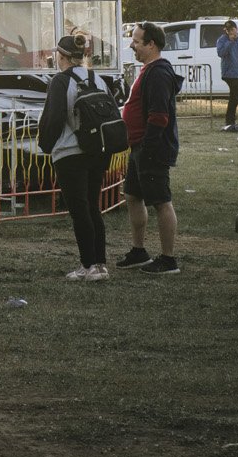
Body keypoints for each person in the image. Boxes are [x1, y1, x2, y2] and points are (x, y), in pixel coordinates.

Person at [38, 34, 109, 280]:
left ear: (62, 57)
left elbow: (54, 117)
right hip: (97, 151)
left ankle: (87, 265)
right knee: (92, 207)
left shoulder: (60, 81)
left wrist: (45, 145)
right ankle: (100, 264)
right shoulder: (97, 78)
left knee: (79, 210)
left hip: (70, 152)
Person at [119, 21, 183, 275]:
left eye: (136, 41)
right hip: (139, 147)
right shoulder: (148, 70)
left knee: (161, 202)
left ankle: (168, 259)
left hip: (151, 148)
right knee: (133, 196)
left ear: (151, 44)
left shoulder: (158, 74)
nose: (132, 45)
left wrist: (148, 146)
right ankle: (139, 251)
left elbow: (159, 116)